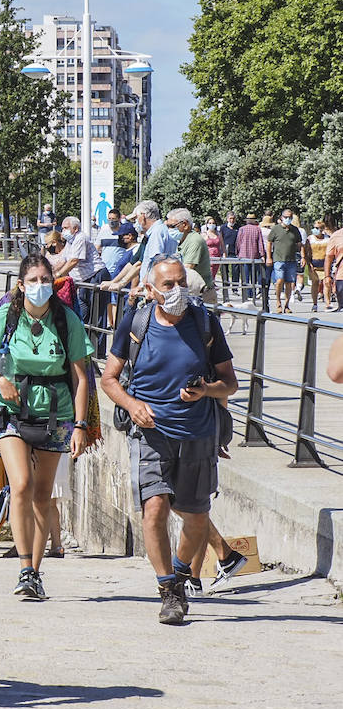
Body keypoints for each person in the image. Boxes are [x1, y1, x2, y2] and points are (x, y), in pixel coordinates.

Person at [100, 257, 237, 625]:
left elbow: (231, 382)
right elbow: (110, 378)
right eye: (167, 285)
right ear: (149, 289)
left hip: (197, 434)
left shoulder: (205, 323)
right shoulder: (135, 323)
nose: (177, 291)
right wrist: (133, 406)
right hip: (150, 434)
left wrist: (206, 389)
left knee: (196, 518)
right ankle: (168, 590)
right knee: (154, 508)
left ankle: (178, 573)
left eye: (181, 283)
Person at [0, 253, 93, 600]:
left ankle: (36, 573)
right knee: (21, 484)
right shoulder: (5, 317)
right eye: (34, 280)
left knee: (43, 495)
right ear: (21, 284)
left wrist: (81, 426)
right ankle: (25, 567)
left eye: (46, 280)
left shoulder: (65, 318)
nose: (41, 286)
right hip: (10, 409)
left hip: (55, 413)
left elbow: (80, 377)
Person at [168, 208, 216, 306]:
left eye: (172, 226)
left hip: (202, 295)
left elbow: (187, 269)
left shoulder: (194, 241)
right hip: (190, 292)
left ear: (185, 224)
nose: (169, 229)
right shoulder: (183, 240)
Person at [132, 200, 181, 284]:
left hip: (154, 286)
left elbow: (155, 263)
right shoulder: (159, 230)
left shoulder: (157, 233)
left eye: (136, 217)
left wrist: (142, 285)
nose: (136, 221)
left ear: (143, 216)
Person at [268, 209, 304, 314]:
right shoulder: (275, 229)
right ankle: (278, 303)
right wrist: (269, 257)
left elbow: (299, 244)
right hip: (279, 259)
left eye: (290, 217)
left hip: (291, 260)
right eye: (286, 217)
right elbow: (269, 243)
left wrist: (303, 257)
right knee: (279, 281)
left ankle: (286, 305)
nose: (288, 219)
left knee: (289, 283)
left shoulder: (295, 230)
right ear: (282, 217)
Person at [235, 212, 267, 302]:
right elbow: (260, 243)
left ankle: (246, 292)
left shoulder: (241, 229)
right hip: (254, 256)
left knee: (245, 276)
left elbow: (238, 242)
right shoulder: (257, 230)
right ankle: (252, 292)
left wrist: (237, 252)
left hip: (243, 255)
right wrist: (262, 255)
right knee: (254, 276)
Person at [305, 220, 331, 313]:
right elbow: (307, 252)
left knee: (327, 283)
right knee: (315, 283)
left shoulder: (327, 238)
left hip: (325, 264)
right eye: (314, 228)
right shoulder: (310, 239)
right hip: (314, 265)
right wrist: (309, 263)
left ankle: (328, 303)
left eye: (317, 228)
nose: (315, 230)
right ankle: (315, 304)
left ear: (322, 229)